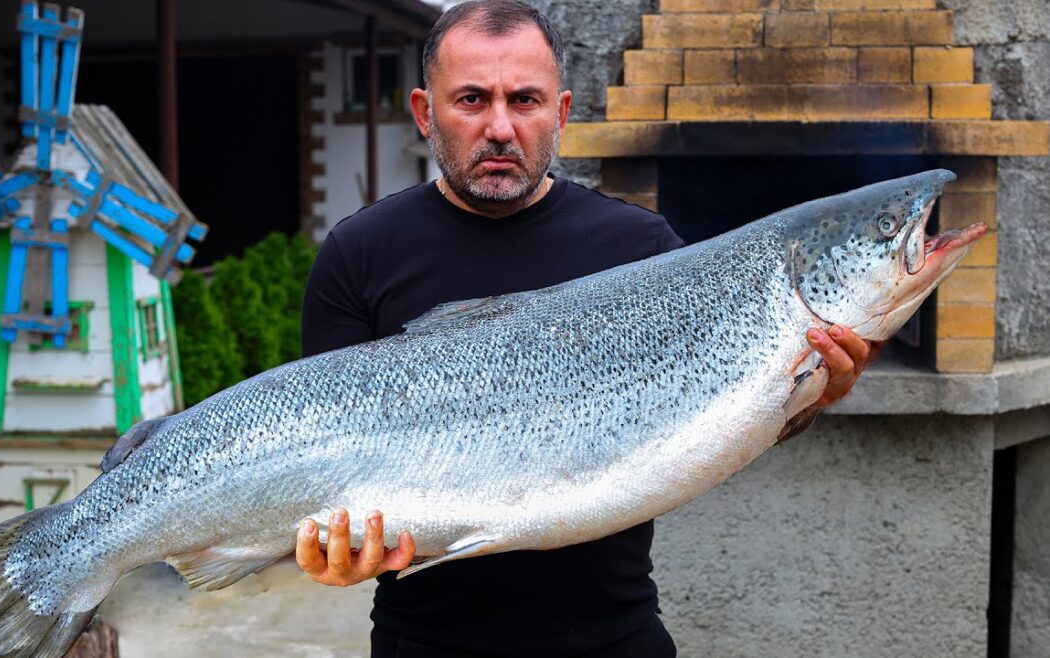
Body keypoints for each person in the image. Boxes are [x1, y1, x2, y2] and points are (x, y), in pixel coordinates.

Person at [296, 1, 873, 656]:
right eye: (472, 100)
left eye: (525, 100)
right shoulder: (357, 254)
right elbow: (323, 464)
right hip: (424, 641)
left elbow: (714, 413)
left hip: (612, 636)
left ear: (562, 112)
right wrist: (327, 551)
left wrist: (808, 397)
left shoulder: (643, 249)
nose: (500, 127)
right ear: (427, 112)